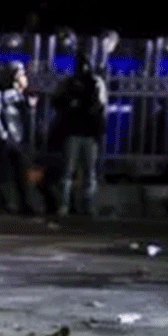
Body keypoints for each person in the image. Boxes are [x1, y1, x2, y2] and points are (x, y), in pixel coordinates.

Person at [52, 53, 108, 217]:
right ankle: (73, 205)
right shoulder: (73, 83)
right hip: (78, 131)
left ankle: (74, 205)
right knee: (76, 171)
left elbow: (99, 105)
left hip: (82, 131)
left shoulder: (91, 82)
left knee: (79, 172)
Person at [0, 60, 35, 215]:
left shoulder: (21, 96)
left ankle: (23, 204)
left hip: (18, 139)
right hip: (4, 140)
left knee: (20, 174)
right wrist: (3, 135)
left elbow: (26, 119)